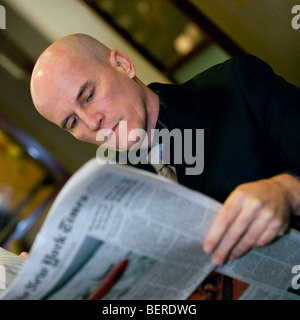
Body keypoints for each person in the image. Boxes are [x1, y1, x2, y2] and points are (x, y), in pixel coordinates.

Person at [30, 33, 300, 266]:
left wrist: (288, 191)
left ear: (123, 65)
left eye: (88, 96)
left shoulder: (238, 86)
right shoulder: (111, 192)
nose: (91, 122)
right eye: (73, 121)